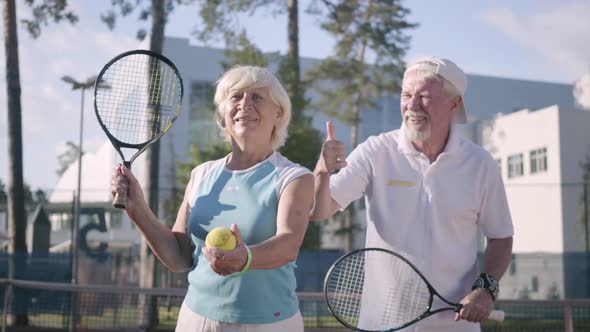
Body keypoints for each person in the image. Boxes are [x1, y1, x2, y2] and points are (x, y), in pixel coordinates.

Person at [311, 57, 514, 331]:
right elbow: (318, 210)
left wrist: (485, 289)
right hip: (381, 324)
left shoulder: (481, 164)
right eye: (406, 95)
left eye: (425, 96)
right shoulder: (375, 151)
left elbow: (500, 236)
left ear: (454, 104)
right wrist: (322, 171)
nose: (412, 105)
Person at [112, 65, 314, 332]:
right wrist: (136, 208)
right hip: (197, 319)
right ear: (224, 113)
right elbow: (178, 258)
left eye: (257, 97)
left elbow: (288, 245)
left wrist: (245, 257)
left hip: (270, 323)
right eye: (236, 97)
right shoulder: (202, 174)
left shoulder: (294, 177)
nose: (245, 105)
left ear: (278, 113)